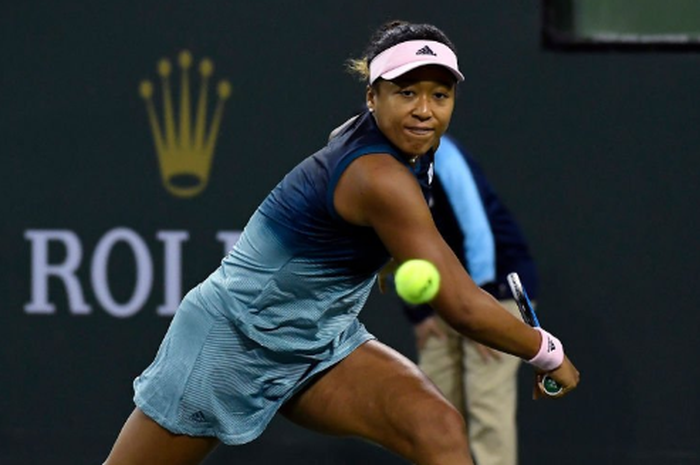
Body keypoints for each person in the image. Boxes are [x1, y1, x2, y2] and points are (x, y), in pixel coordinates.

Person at [104, 20, 579, 465]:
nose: (424, 110)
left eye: (440, 94)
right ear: (373, 97)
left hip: (319, 341)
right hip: (231, 343)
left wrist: (385, 264)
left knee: (437, 429)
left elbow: (360, 237)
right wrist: (546, 351)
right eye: (406, 92)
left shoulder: (407, 148)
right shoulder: (377, 177)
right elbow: (462, 306)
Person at [397, 134, 540, 465]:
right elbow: (390, 242)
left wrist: (482, 313)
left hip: (499, 289)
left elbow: (478, 232)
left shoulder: (444, 156)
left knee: (486, 404)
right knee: (433, 406)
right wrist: (419, 315)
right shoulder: (378, 165)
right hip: (444, 293)